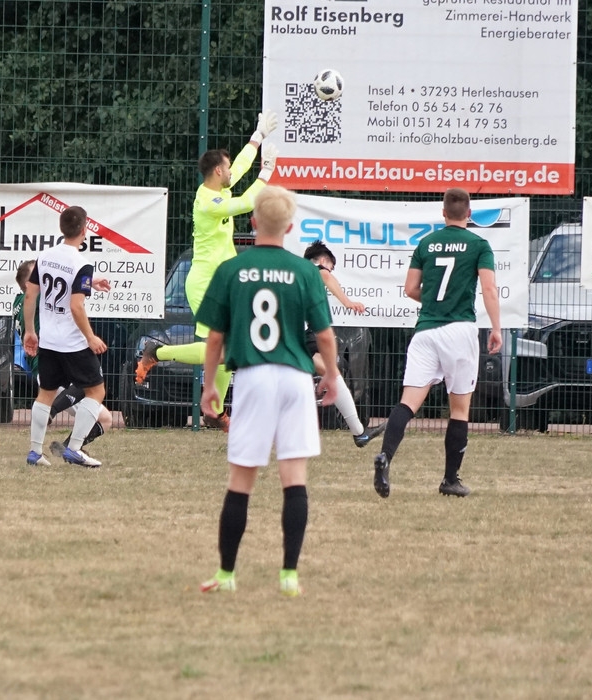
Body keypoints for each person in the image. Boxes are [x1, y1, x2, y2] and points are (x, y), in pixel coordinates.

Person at [195, 185, 338, 597]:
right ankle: (289, 575)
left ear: (253, 221)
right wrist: (331, 375)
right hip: (295, 378)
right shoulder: (306, 271)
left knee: (241, 480)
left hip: (253, 377)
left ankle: (226, 575)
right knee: (294, 479)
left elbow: (215, 337)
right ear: (289, 227)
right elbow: (324, 335)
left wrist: (209, 386)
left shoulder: (231, 269)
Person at [134, 112, 280, 432]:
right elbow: (246, 203)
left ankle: (214, 411)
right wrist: (267, 172)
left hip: (221, 283)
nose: (231, 172)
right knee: (220, 348)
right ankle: (157, 352)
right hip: (204, 283)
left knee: (229, 349)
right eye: (227, 168)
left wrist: (257, 136)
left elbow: (240, 166)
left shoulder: (219, 187)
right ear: (217, 171)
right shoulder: (208, 202)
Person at [371, 188, 502, 499]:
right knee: (459, 409)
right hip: (459, 331)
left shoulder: (426, 243)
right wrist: (496, 328)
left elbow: (410, 288)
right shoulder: (479, 244)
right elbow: (489, 289)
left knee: (408, 403)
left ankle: (385, 456)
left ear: (443, 214)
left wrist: (431, 302)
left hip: (426, 332)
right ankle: (450, 479)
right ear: (469, 214)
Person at [23, 206, 111, 468]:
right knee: (96, 390)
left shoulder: (45, 256)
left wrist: (30, 330)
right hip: (72, 342)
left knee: (45, 394)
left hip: (49, 340)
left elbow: (30, 294)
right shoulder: (81, 263)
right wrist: (91, 337)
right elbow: (76, 306)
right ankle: (74, 448)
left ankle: (35, 452)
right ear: (84, 230)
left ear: (62, 228)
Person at [13, 260, 113, 459]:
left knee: (105, 419)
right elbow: (66, 290)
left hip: (47, 367)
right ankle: (54, 415)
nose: (45, 277)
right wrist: (89, 280)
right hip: (54, 364)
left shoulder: (19, 301)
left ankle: (68, 448)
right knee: (90, 384)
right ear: (29, 284)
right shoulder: (35, 298)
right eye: (39, 276)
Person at [302, 241, 386, 448]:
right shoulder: (315, 270)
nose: (330, 271)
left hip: (288, 333)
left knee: (328, 371)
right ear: (323, 260)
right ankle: (359, 433)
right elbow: (325, 275)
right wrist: (347, 302)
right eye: (331, 266)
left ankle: (359, 432)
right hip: (297, 331)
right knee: (331, 372)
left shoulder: (295, 274)